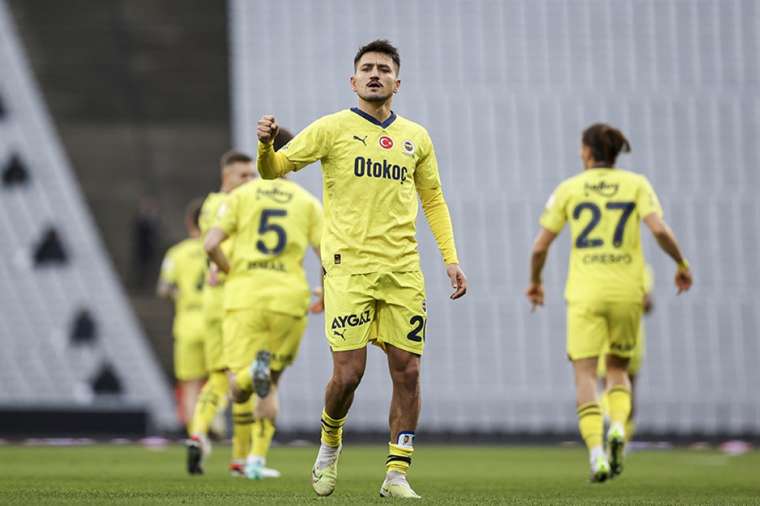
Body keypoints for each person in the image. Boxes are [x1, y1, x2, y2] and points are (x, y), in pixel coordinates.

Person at [255, 39, 468, 499]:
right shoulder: (332, 128)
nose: (375, 74)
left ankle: (397, 474)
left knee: (407, 370)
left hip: (403, 270)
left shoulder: (417, 137)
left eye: (384, 68)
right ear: (353, 81)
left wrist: (450, 258)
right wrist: (266, 147)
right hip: (347, 269)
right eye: (367, 68)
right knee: (349, 374)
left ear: (397, 81)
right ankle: (330, 443)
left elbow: (433, 199)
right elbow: (276, 169)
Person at [526, 123, 693, 482]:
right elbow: (660, 230)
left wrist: (536, 283)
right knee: (618, 369)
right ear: (616, 153)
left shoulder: (569, 188)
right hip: (626, 292)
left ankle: (597, 454)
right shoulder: (637, 184)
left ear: (587, 151)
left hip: (585, 294)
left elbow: (540, 246)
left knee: (585, 374)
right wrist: (681, 263)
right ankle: (618, 425)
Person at [204, 133, 324, 480]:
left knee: (237, 385)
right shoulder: (307, 202)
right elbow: (329, 256)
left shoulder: (242, 196)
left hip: (245, 298)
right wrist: (327, 294)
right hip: (289, 299)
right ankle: (256, 460)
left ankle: (248, 372)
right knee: (273, 382)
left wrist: (233, 272)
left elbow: (211, 244)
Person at [186, 151, 254, 476]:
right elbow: (221, 251)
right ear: (227, 177)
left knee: (215, 378)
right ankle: (241, 458)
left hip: (210, 304)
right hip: (234, 299)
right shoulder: (236, 205)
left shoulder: (209, 206)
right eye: (244, 175)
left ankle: (197, 434)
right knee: (244, 377)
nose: (250, 180)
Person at [157, 199, 207, 433]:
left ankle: (194, 434)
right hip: (217, 320)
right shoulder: (221, 248)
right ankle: (214, 419)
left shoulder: (176, 253)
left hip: (188, 320)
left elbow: (164, 288)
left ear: (189, 223)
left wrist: (181, 293)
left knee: (190, 383)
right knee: (221, 379)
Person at [597, 264, 654, 444]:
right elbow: (647, 304)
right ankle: (621, 435)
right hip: (631, 334)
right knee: (628, 388)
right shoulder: (639, 267)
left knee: (607, 385)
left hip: (605, 335)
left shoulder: (597, 265)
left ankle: (611, 422)